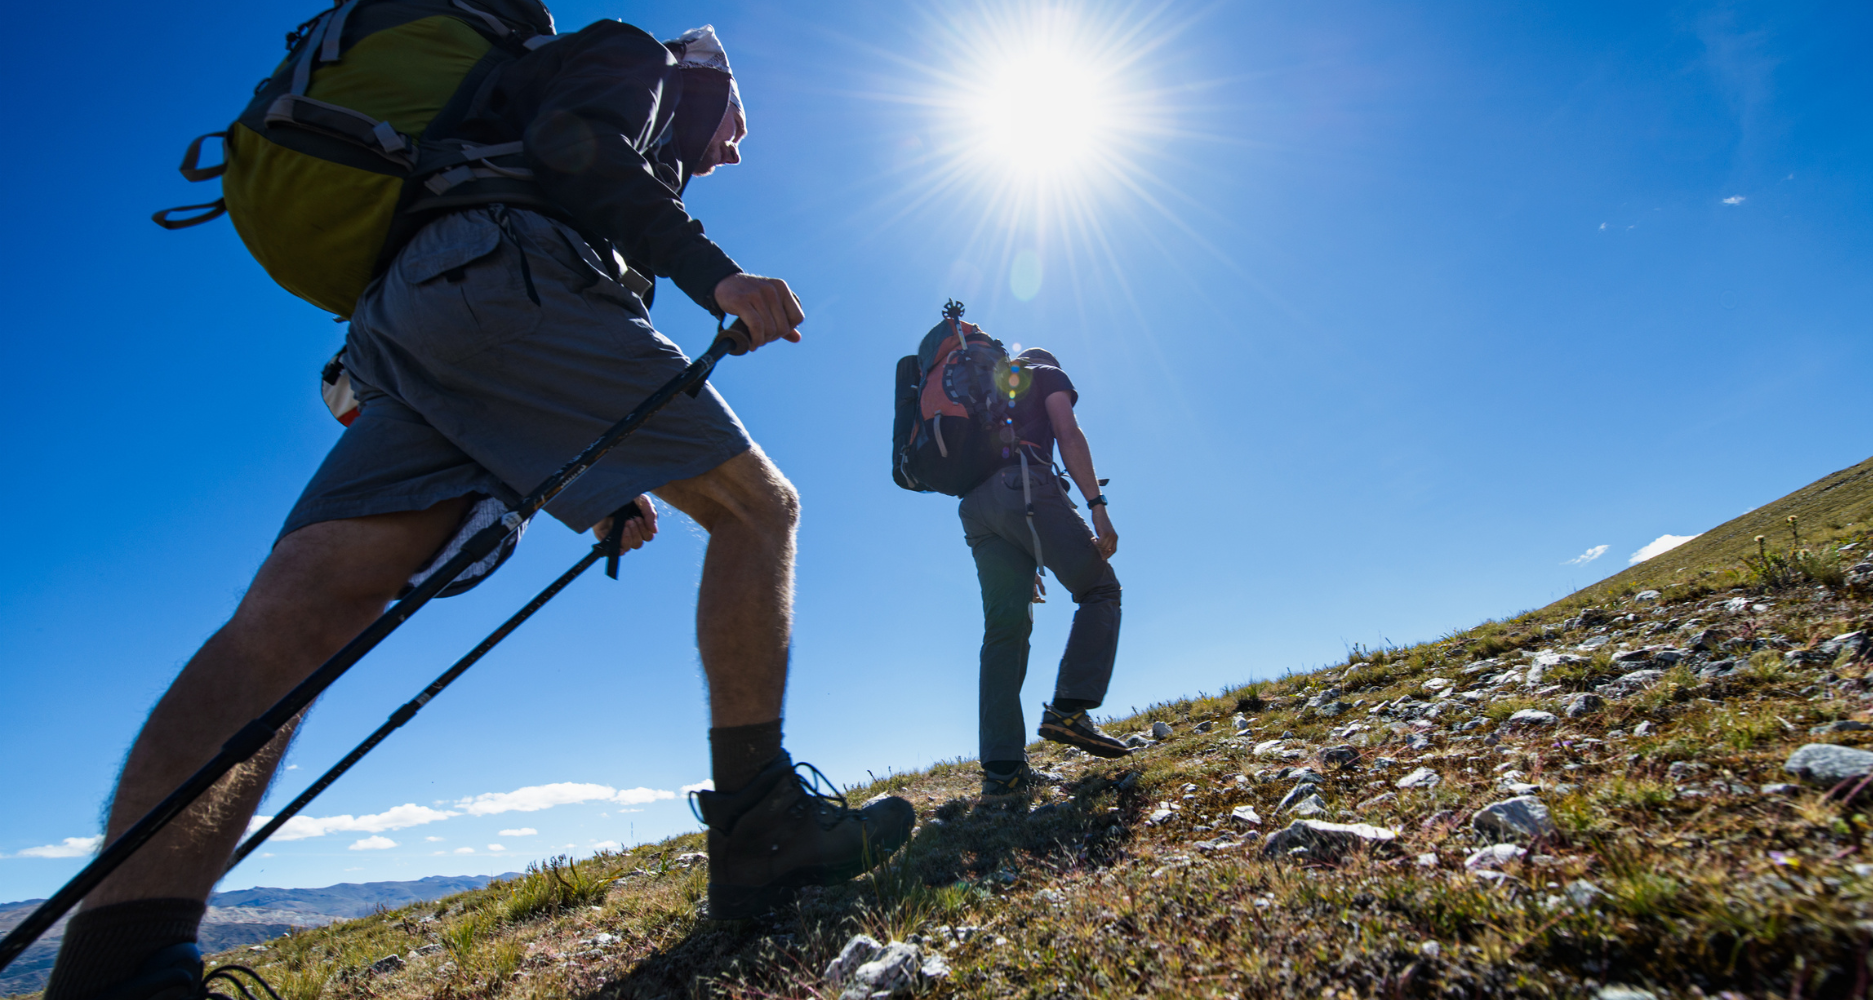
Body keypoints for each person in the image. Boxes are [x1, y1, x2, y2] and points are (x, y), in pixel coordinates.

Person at [45, 14, 911, 999]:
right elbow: (577, 161)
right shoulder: (639, 61)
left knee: (291, 618)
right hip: (504, 266)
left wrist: (596, 495)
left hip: (409, 315)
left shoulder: (496, 101)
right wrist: (716, 274)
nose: (734, 148)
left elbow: (516, 357)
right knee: (760, 510)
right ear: (704, 82)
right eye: (735, 124)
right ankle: (762, 826)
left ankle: (116, 966)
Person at [959, 345, 1130, 798]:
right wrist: (1098, 507)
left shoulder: (984, 390)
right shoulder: (1045, 370)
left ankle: (1003, 773)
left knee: (1004, 631)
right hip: (1025, 485)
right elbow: (1067, 432)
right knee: (1099, 589)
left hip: (976, 510)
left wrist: (1022, 550)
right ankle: (1070, 709)